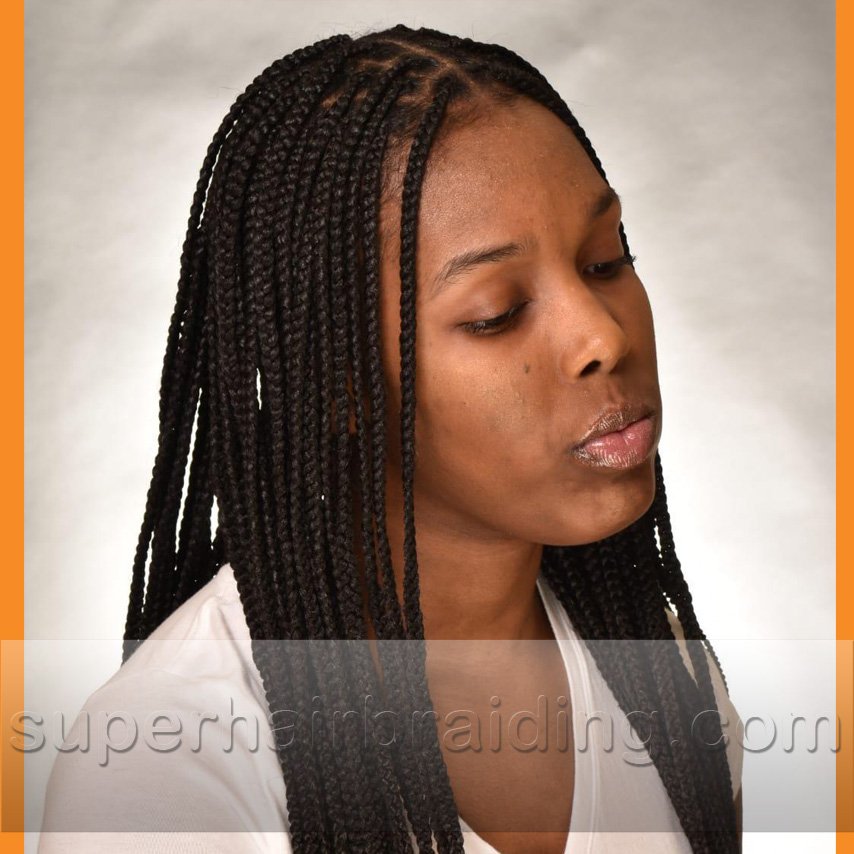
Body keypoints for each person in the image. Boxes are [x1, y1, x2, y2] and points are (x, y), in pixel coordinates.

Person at [38, 24, 743, 854]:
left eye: (605, 260)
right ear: (341, 383)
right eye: (497, 313)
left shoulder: (666, 676)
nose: (604, 337)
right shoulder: (166, 770)